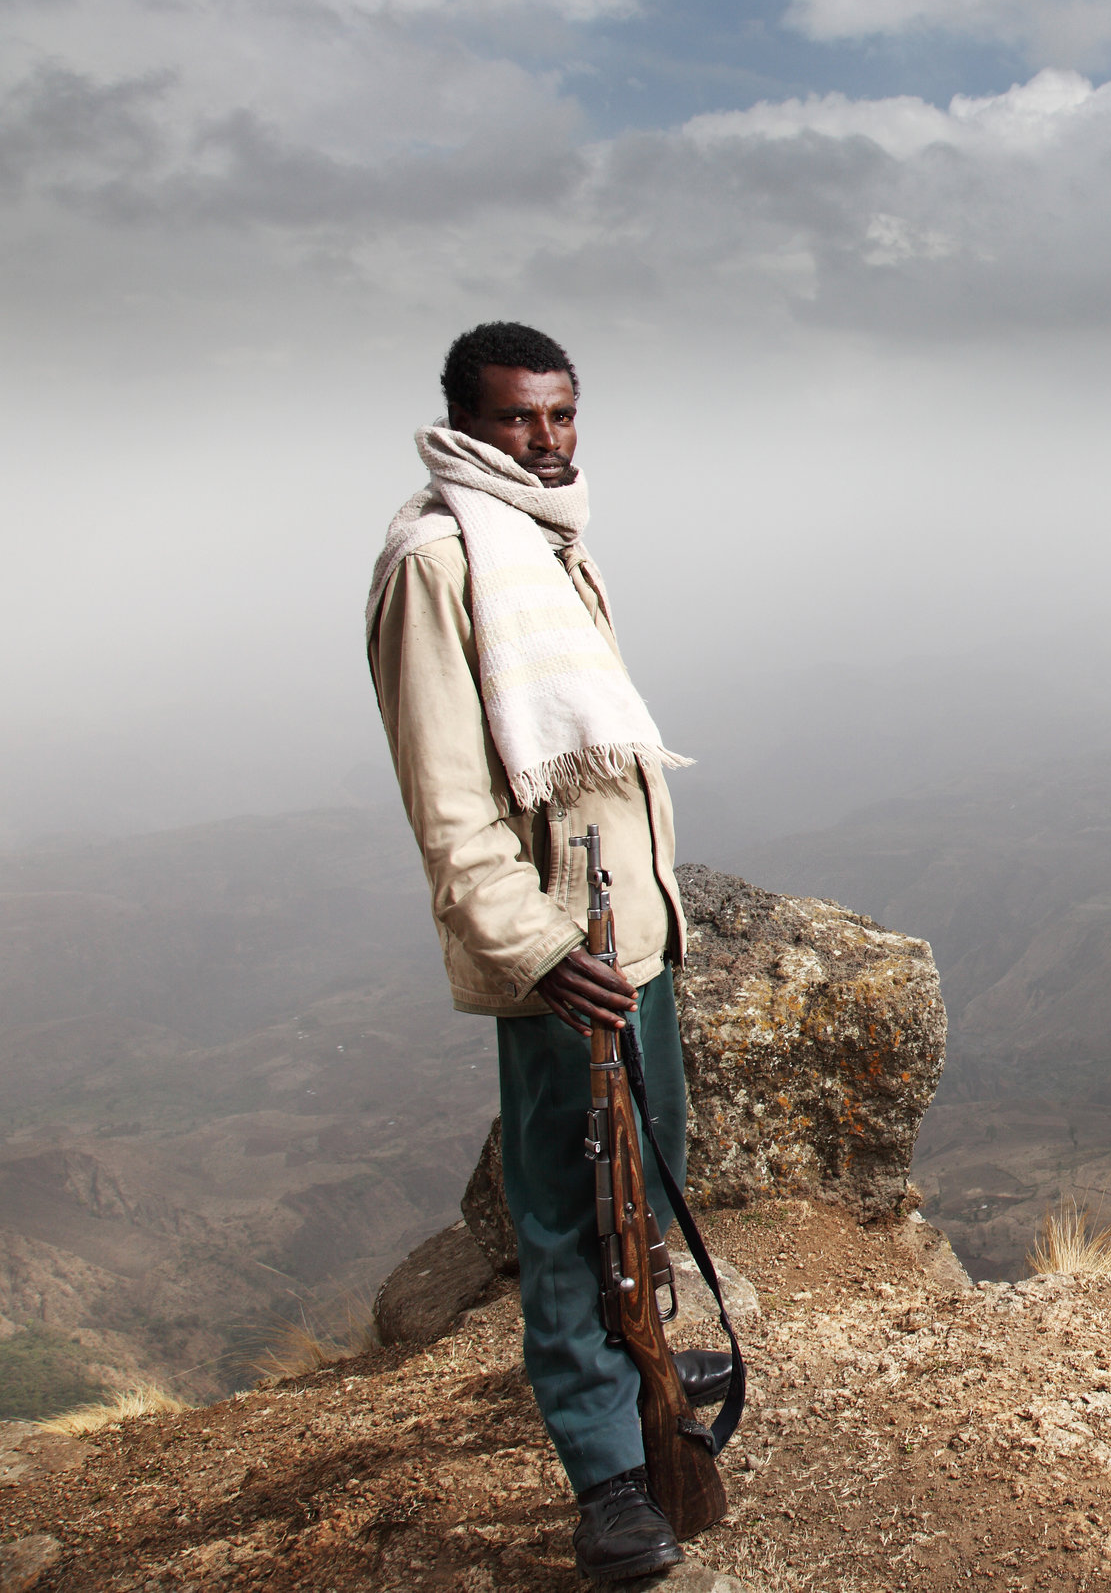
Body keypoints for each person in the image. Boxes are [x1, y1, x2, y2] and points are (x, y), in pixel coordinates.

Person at [365, 322, 732, 1582]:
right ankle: (610, 1473)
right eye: (519, 418)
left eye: (562, 414)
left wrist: (652, 917)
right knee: (576, 1211)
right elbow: (448, 796)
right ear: (466, 421)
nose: (546, 439)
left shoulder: (547, 538)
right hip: (559, 955)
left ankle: (637, 1356)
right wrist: (530, 943)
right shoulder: (438, 556)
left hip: (633, 933)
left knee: (654, 1167)